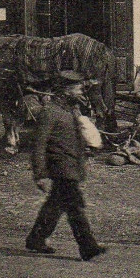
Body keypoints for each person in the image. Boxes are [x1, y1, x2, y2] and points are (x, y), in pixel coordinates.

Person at [25, 70, 106, 261]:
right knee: (75, 208)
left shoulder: (70, 111)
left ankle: (36, 239)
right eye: (77, 88)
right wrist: (40, 174)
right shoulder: (50, 112)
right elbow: (38, 145)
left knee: (55, 205)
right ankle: (88, 246)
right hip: (60, 169)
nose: (81, 92)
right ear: (65, 91)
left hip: (70, 167)